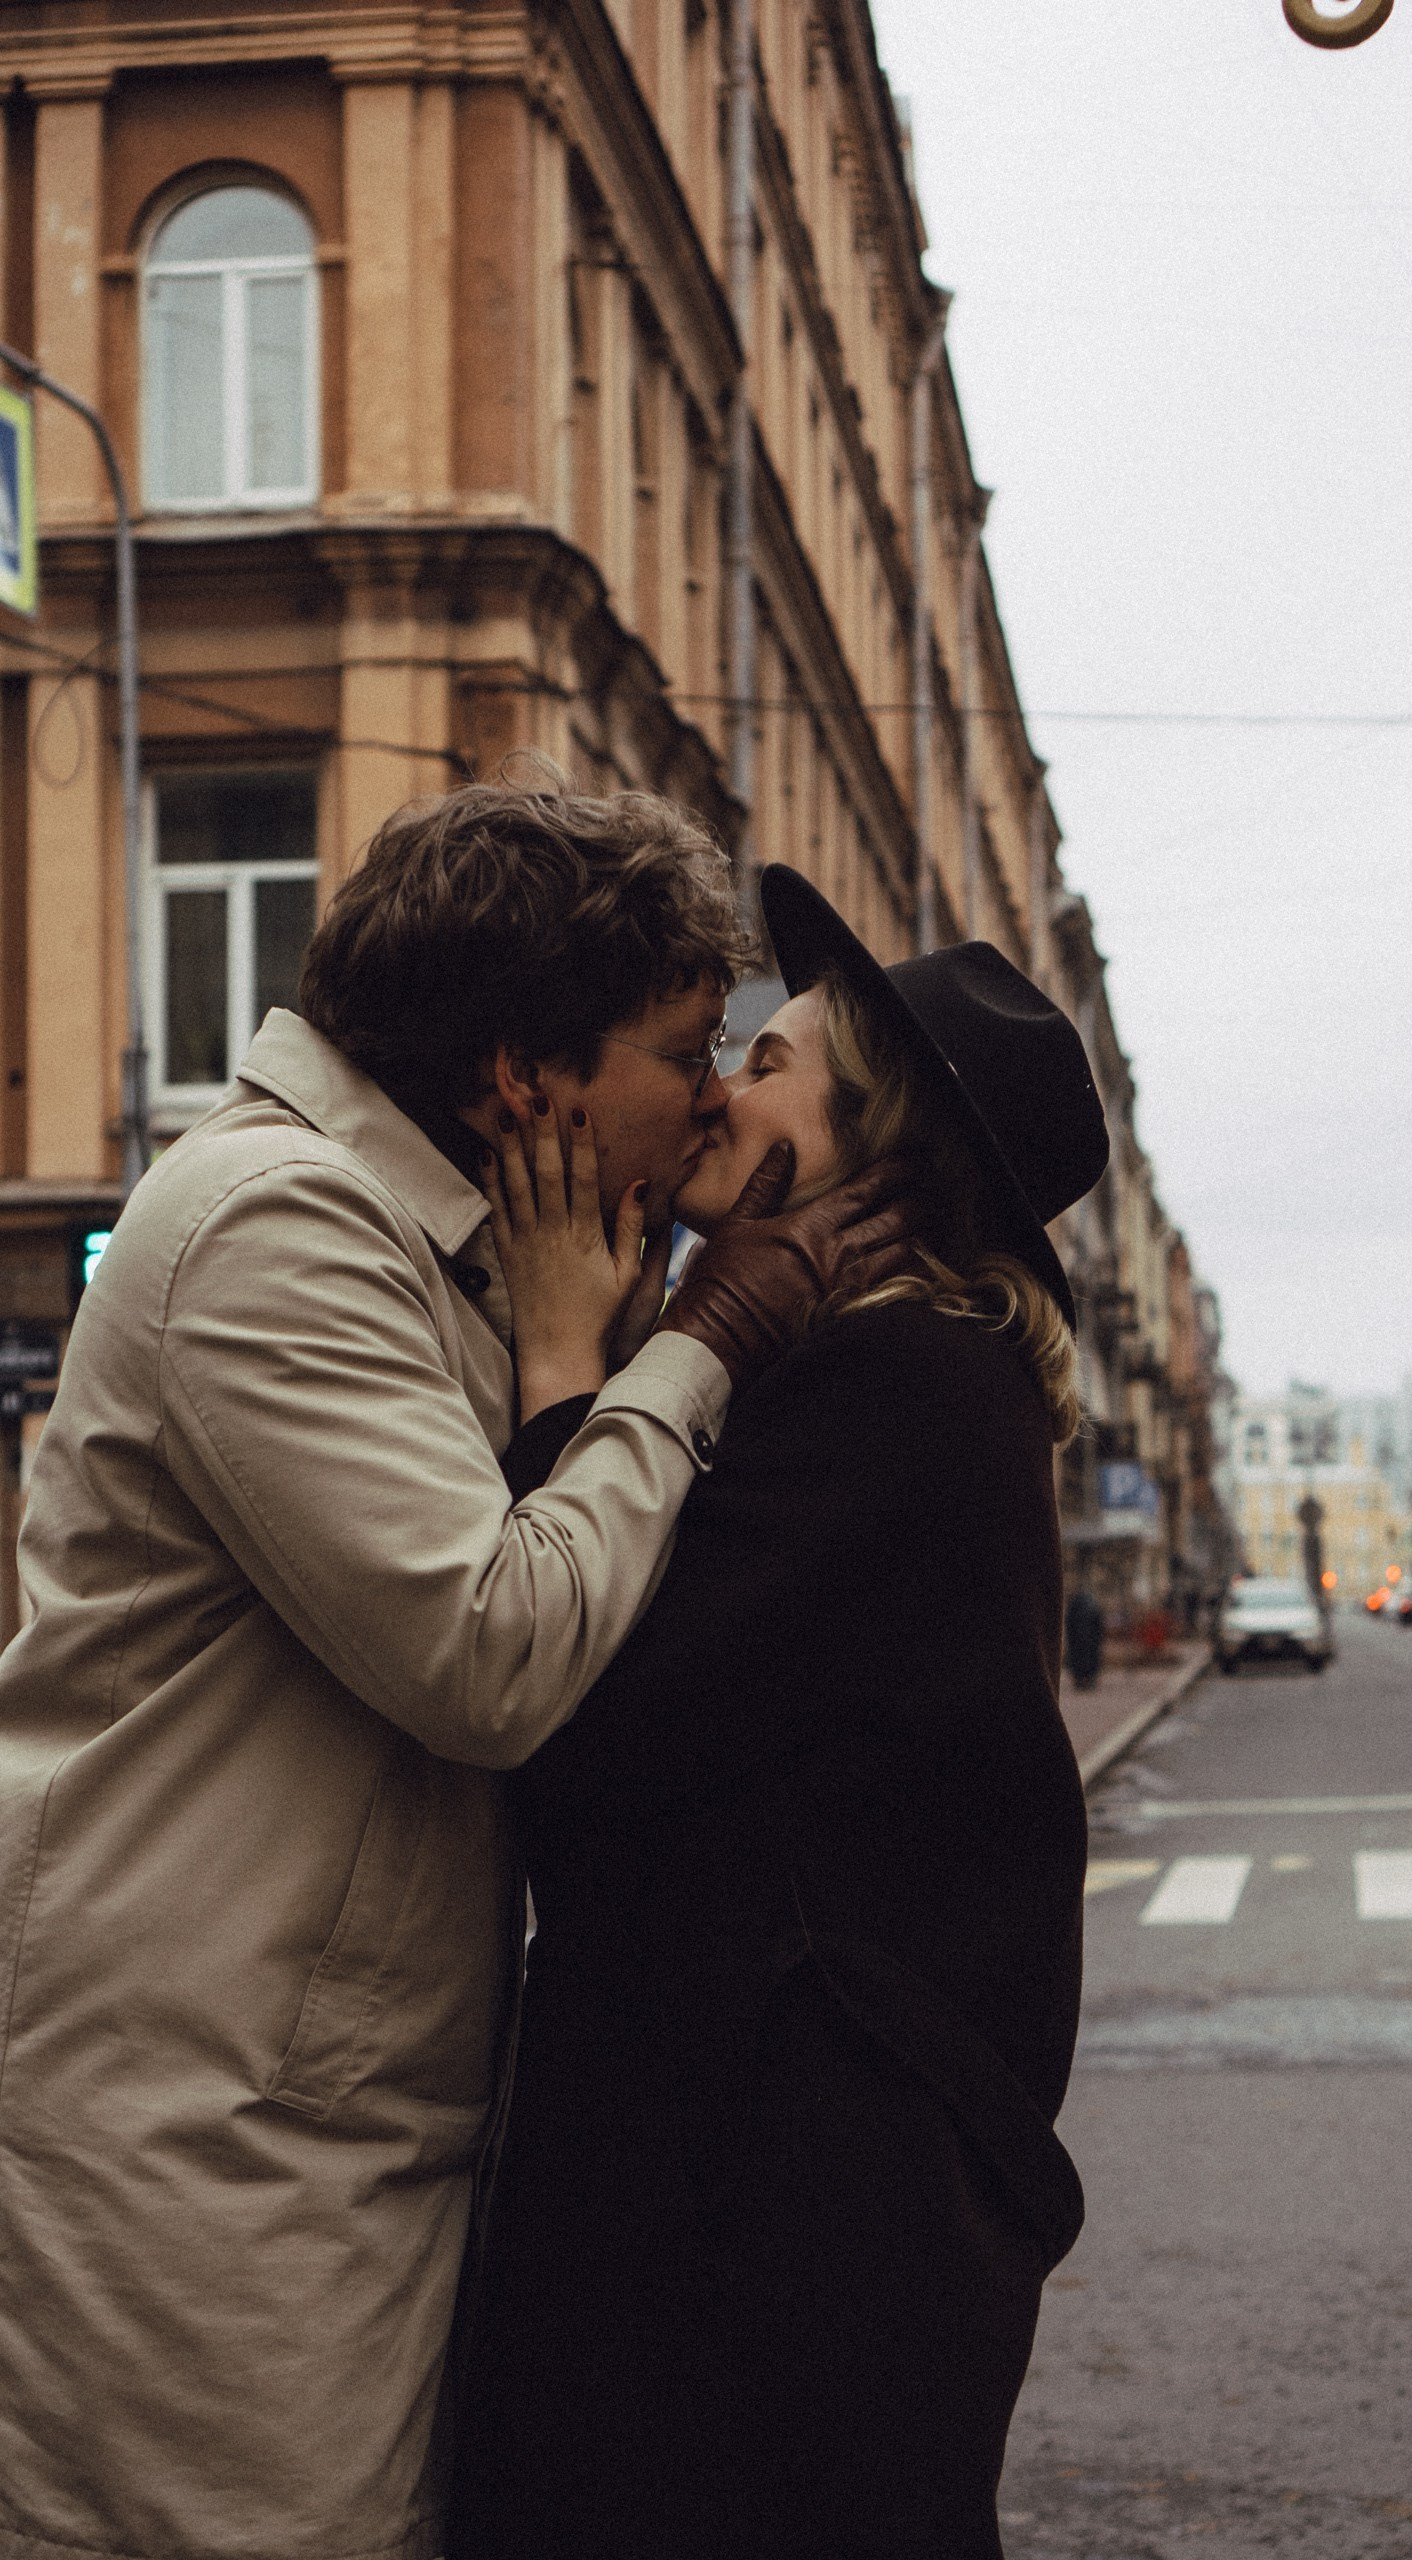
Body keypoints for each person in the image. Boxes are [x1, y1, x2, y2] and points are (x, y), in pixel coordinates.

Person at [0, 782, 911, 2560]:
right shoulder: (280, 1226)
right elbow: (492, 1652)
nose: (716, 1094)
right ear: (523, 1075)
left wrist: (594, 1338)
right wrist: (705, 1342)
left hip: (312, 2107)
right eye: (680, 1050)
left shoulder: (466, 1239)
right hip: (195, 2134)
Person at [451, 864, 1112, 2560]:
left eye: (768, 1061)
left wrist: (554, 1371)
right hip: (774, 2184)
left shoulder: (895, 1384)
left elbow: (581, 1708)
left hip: (779, 2218)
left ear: (865, 1152)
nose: (718, 1084)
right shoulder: (855, 1373)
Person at [1065, 1581, 1105, 1689]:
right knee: (1089, 1659)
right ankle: (1088, 1680)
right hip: (1090, 1639)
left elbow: (1069, 1623)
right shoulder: (1091, 1604)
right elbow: (1098, 1623)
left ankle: (1081, 1680)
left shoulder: (1075, 1604)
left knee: (1079, 1660)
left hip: (1079, 1639)